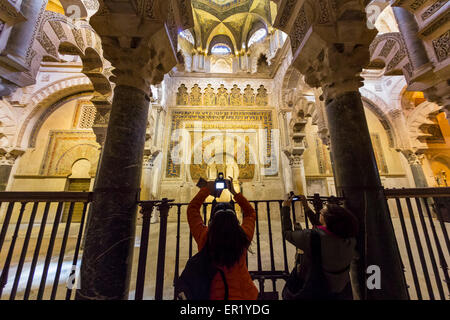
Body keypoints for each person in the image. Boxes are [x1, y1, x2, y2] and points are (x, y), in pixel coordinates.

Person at [187, 177, 258, 300]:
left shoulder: (205, 238)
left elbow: (192, 210)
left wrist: (206, 190)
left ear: (213, 221)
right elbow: (250, 213)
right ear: (235, 220)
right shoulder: (242, 237)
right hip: (245, 296)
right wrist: (235, 193)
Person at [281, 193, 359, 300]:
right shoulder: (349, 239)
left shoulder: (312, 237)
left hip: (316, 287)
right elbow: (320, 226)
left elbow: (287, 233)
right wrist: (306, 206)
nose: (321, 211)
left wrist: (285, 207)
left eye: (323, 211)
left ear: (328, 219)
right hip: (338, 288)